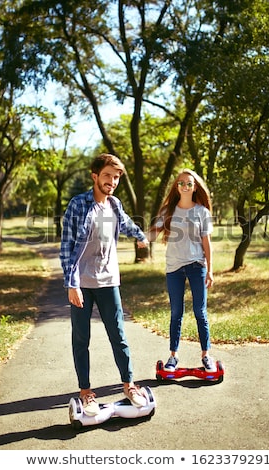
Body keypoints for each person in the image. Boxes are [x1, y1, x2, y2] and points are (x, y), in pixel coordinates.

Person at [60, 153, 149, 416]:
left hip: (109, 280)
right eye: (107, 175)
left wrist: (141, 236)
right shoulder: (78, 204)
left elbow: (126, 223)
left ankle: (129, 385)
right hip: (82, 283)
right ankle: (86, 392)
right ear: (95, 176)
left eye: (116, 177)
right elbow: (66, 247)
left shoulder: (114, 204)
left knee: (118, 336)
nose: (112, 181)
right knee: (81, 338)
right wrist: (71, 284)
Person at [147, 169, 217, 372]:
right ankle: (173, 356)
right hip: (174, 267)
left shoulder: (202, 212)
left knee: (200, 312)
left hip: (197, 266)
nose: (185, 186)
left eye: (189, 183)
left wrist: (210, 271)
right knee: (176, 312)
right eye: (181, 183)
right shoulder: (168, 211)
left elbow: (207, 242)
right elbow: (154, 232)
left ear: (195, 187)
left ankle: (206, 356)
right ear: (176, 188)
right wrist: (142, 238)